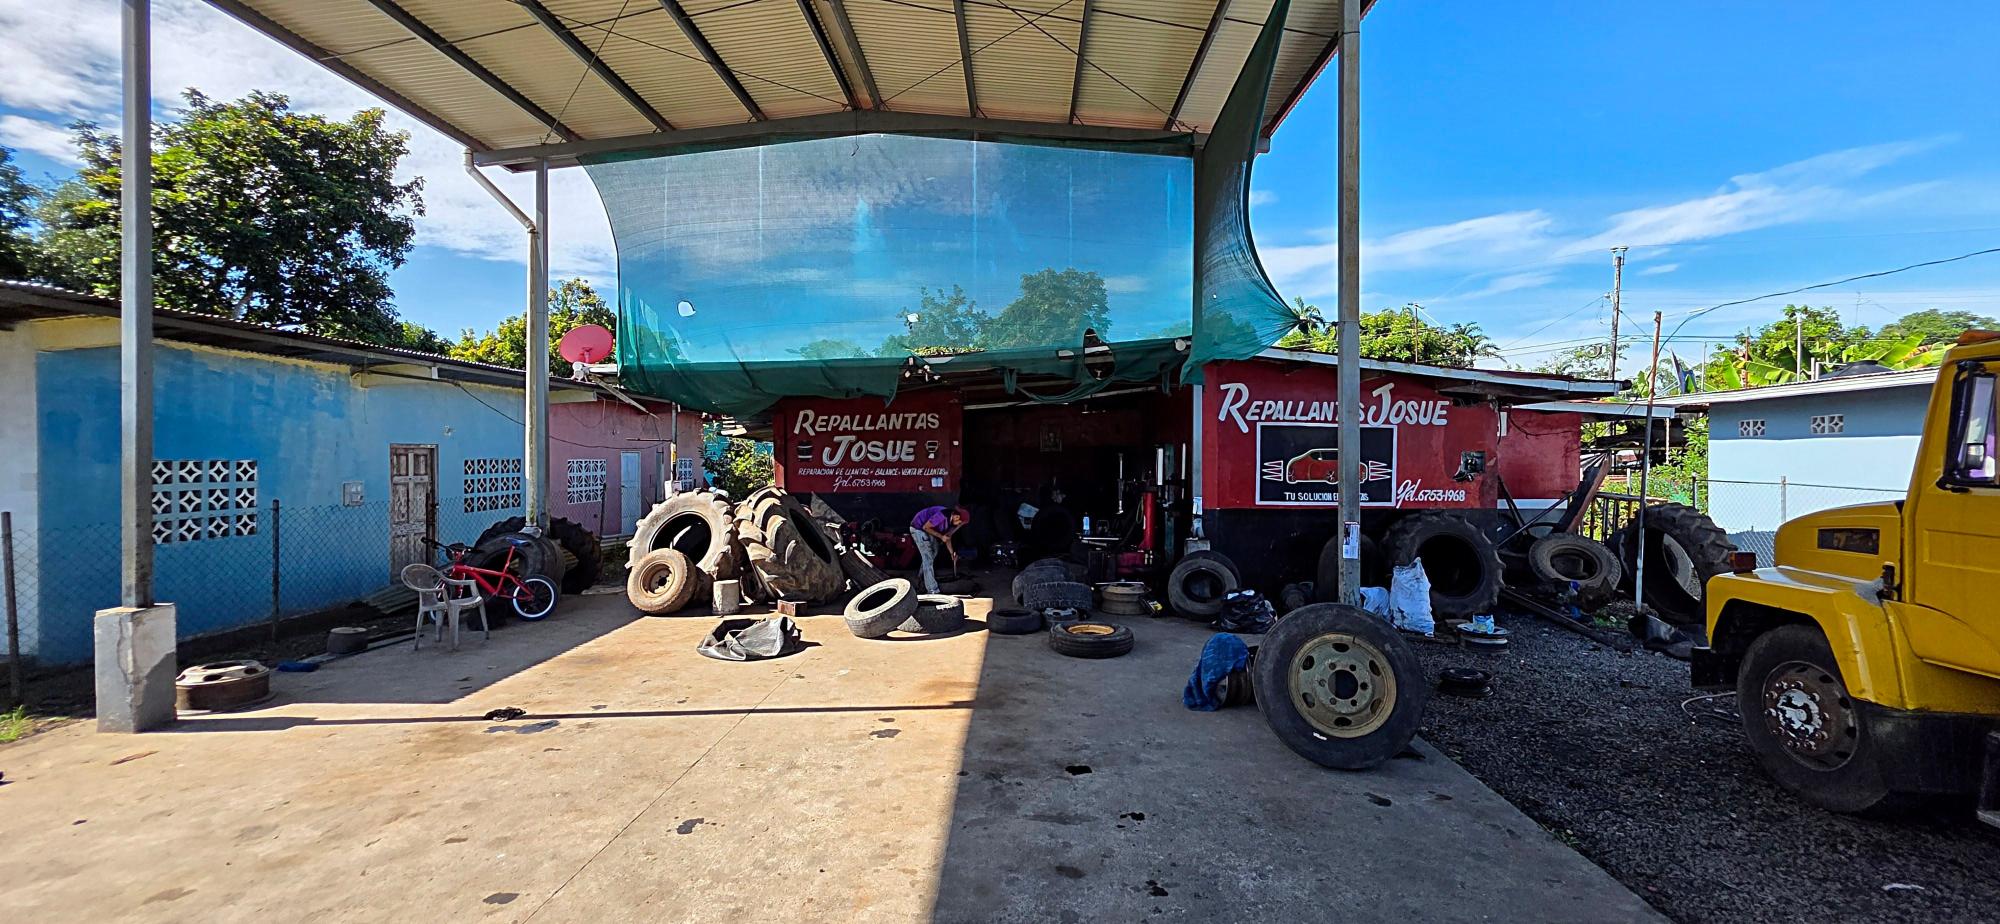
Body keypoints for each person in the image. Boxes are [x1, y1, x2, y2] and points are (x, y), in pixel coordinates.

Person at [910, 504, 970, 593]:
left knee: (934, 551)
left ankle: (921, 577)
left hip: (929, 529)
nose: (959, 525)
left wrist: (951, 553)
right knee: (928, 558)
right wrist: (941, 537)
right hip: (918, 528)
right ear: (956, 517)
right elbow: (925, 527)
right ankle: (932, 590)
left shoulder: (952, 523)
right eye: (960, 523)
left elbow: (947, 537)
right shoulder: (942, 515)